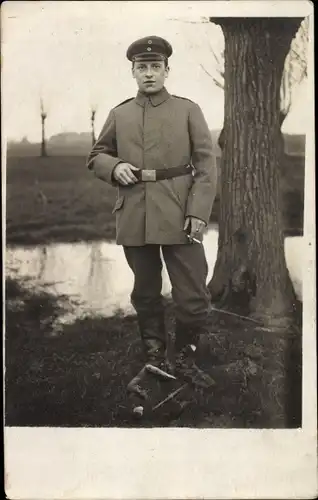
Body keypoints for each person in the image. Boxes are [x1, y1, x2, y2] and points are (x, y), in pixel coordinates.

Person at [87, 36, 217, 386]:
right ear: (132, 72)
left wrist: (199, 212)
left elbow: (206, 165)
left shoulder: (188, 110)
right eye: (141, 67)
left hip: (180, 211)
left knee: (191, 293)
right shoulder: (120, 113)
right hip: (135, 211)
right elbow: (97, 154)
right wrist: (113, 167)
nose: (149, 74)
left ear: (166, 71)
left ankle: (187, 358)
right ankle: (155, 356)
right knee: (144, 290)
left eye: (155, 67)